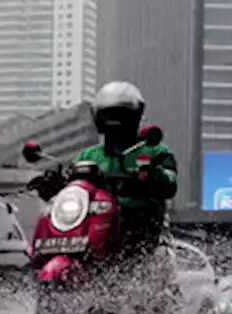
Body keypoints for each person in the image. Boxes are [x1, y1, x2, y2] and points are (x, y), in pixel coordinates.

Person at [39, 81, 178, 260]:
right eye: (108, 114)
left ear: (135, 116)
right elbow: (72, 182)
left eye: (120, 114)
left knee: (142, 243)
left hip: (139, 225)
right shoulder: (88, 156)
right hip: (91, 224)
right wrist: (53, 184)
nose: (114, 120)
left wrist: (152, 177)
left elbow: (170, 183)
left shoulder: (155, 151)